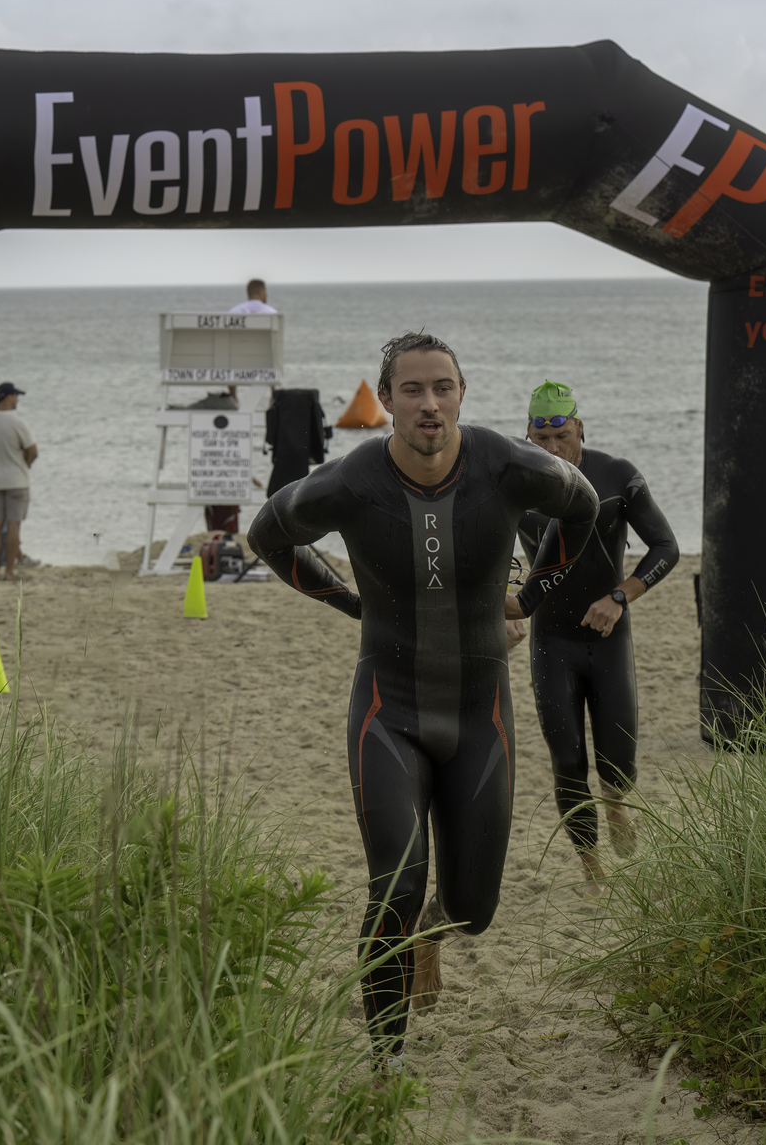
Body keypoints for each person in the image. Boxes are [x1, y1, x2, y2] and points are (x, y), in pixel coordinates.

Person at [246, 332, 599, 1073]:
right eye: (412, 389)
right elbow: (267, 535)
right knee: (395, 886)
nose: (429, 403)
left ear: (462, 393)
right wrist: (345, 600)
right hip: (388, 712)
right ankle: (385, 1061)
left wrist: (532, 594)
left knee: (474, 910)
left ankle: (435, 933)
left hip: (481, 717)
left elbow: (584, 505)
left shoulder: (508, 465)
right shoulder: (350, 480)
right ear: (388, 402)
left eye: (442, 386)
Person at [504, 381, 680, 897]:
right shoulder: (517, 486)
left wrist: (620, 597)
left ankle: (617, 802)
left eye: (563, 436)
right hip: (551, 640)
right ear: (529, 435)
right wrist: (507, 606)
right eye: (542, 438)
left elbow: (665, 546)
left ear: (581, 428)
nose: (554, 448)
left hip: (609, 636)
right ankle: (591, 869)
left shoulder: (617, 476)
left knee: (617, 755)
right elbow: (492, 554)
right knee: (567, 761)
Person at [0, 382, 37, 581]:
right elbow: (32, 450)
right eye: (16, 396)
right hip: (16, 480)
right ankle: (9, 571)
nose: (17, 399)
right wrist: (26, 464)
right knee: (14, 525)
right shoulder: (17, 422)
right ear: (9, 397)